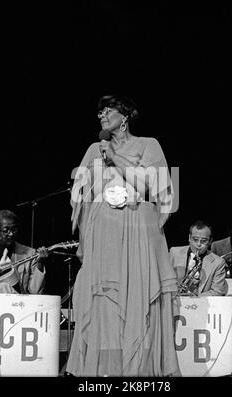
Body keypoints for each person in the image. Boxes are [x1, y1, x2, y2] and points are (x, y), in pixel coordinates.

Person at [66, 94, 181, 377]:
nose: (101, 115)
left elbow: (155, 185)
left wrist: (115, 157)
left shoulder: (148, 144)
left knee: (138, 296)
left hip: (137, 231)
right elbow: (78, 195)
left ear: (125, 116)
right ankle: (106, 370)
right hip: (104, 232)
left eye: (108, 110)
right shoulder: (94, 149)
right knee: (105, 300)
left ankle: (139, 369)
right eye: (99, 111)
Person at [0, 209, 48, 294]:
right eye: (6, 230)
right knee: (3, 287)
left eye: (14, 229)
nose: (11, 234)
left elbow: (35, 292)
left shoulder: (30, 253)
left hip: (16, 304)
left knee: (5, 288)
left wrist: (40, 263)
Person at [169, 220, 227, 296]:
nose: (198, 244)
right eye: (195, 239)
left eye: (204, 241)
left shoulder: (218, 262)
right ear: (189, 238)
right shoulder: (174, 253)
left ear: (210, 241)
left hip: (201, 304)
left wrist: (195, 298)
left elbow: (218, 291)